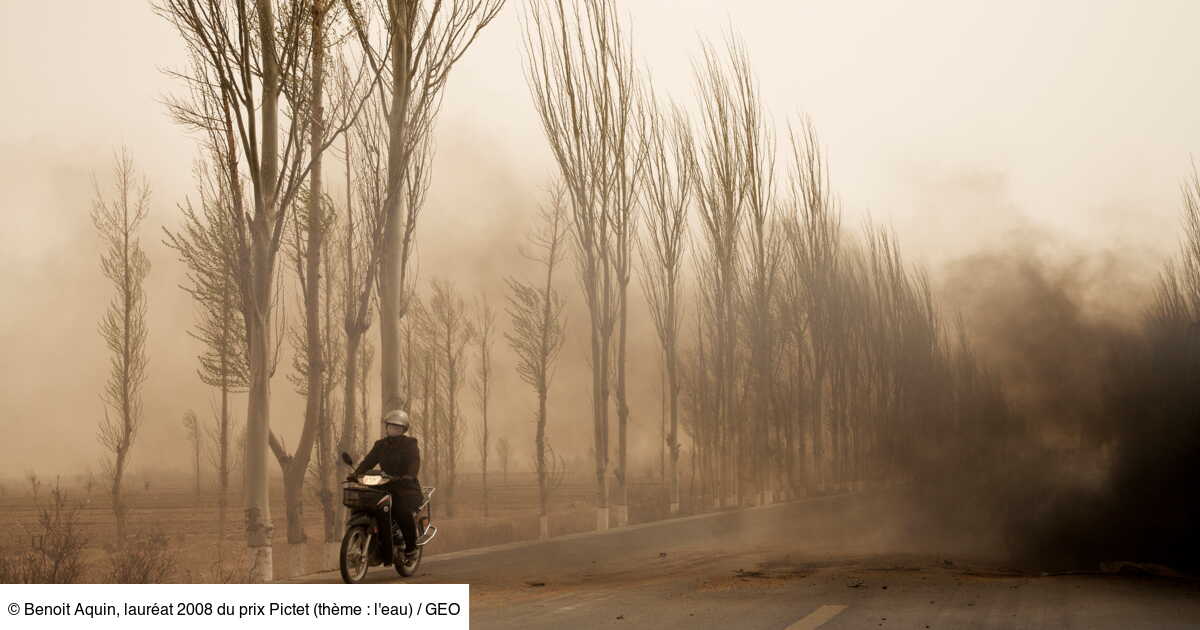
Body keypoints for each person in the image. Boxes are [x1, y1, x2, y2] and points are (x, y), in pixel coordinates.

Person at [352, 409, 422, 561]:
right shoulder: (380, 445)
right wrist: (356, 474)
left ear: (403, 429)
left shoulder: (410, 444)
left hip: (405, 487)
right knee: (365, 505)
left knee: (401, 510)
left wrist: (409, 476)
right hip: (384, 485)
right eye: (391, 426)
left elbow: (414, 461)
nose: (393, 429)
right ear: (386, 427)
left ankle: (411, 548)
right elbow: (369, 461)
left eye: (398, 427)